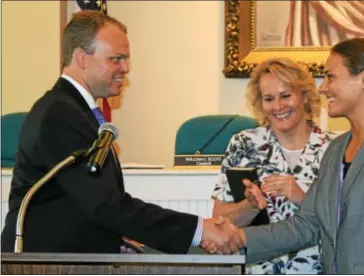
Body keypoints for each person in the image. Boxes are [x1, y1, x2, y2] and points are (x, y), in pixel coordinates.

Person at [1, 11, 236, 254]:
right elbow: (104, 204)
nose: (125, 68)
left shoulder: (72, 109)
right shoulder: (60, 114)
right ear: (81, 58)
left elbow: (80, 203)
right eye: (116, 59)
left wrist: (115, 240)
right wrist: (199, 230)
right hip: (46, 262)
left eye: (125, 59)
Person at [208, 38, 364, 274]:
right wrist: (239, 237)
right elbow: (306, 225)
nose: (322, 88)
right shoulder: (337, 149)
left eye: (331, 76)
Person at [210, 58, 334, 274]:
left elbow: (347, 222)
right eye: (269, 99)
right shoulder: (244, 144)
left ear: (304, 96)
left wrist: (302, 197)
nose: (278, 107)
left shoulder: (334, 147)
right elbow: (219, 218)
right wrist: (251, 207)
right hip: (259, 269)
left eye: (286, 95)